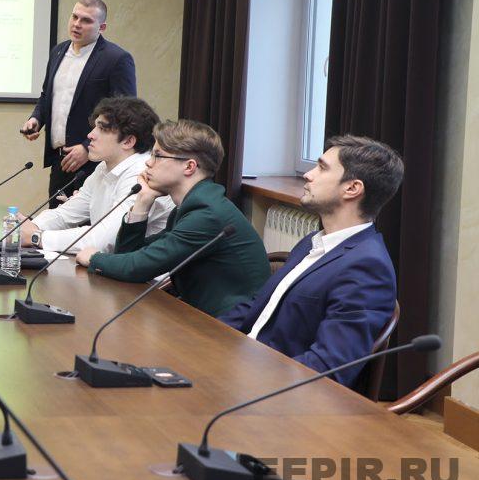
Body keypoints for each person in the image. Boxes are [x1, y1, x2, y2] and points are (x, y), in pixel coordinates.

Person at [220, 136, 403, 386]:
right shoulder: (312, 242)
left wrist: (244, 374)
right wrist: (207, 339)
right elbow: (256, 307)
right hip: (238, 365)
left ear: (352, 188)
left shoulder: (367, 267)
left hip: (271, 390)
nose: (308, 175)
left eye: (322, 168)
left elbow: (327, 368)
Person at [86, 119, 270, 317]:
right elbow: (130, 255)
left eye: (157, 155)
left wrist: (94, 258)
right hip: (202, 317)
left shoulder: (207, 214)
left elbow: (138, 267)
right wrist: (142, 202)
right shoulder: (190, 207)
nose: (148, 162)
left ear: (189, 167)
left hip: (232, 327)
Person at [18, 96, 174, 258]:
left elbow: (103, 240)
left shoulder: (142, 175)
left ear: (128, 141)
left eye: (102, 129)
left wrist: (37, 237)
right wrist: (27, 228)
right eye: (94, 127)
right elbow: (65, 214)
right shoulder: (103, 168)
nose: (90, 135)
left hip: (144, 271)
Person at [21, 0, 137, 206]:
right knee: (56, 218)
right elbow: (47, 95)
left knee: (88, 223)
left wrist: (87, 147)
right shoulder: (58, 51)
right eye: (74, 17)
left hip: (95, 162)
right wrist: (36, 119)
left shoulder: (116, 59)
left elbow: (125, 112)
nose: (77, 24)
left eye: (86, 20)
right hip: (61, 160)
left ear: (102, 27)